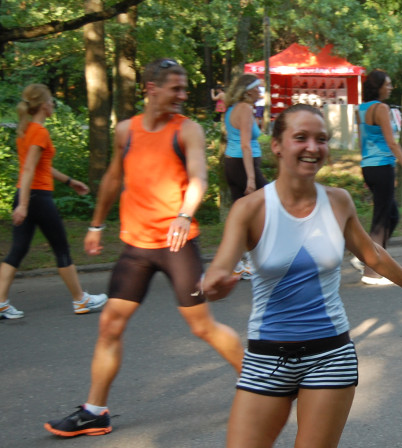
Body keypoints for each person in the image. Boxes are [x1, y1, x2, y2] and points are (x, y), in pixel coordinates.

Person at [200, 103, 402, 447]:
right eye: (301, 138)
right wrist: (215, 285)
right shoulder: (250, 209)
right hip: (267, 356)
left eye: (321, 139)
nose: (313, 147)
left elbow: (370, 252)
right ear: (278, 145)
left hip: (330, 355)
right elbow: (220, 270)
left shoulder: (338, 201)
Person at [44, 58, 244, 438]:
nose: (183, 96)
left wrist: (185, 214)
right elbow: (113, 178)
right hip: (135, 246)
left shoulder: (187, 130)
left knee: (201, 326)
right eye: (176, 88)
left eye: (185, 89)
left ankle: (258, 383)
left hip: (176, 243)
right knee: (109, 324)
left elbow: (199, 176)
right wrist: (96, 224)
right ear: (152, 89)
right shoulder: (127, 131)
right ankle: (95, 411)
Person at [0, 84, 108, 320]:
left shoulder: (26, 130)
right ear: (43, 105)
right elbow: (29, 169)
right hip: (37, 198)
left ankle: (0, 302)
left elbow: (41, 167)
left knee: (17, 250)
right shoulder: (39, 132)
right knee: (61, 248)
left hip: (27, 194)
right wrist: (25, 206)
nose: (53, 105)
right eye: (52, 101)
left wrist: (70, 181)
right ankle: (81, 300)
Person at [353, 69, 402, 285]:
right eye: (388, 84)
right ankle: (372, 272)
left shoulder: (360, 109)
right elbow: (392, 143)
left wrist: (364, 168)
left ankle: (369, 256)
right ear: (378, 87)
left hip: (370, 166)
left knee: (392, 216)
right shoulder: (381, 108)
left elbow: (361, 140)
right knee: (381, 219)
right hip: (381, 166)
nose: (391, 87)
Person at [223, 75, 268, 279]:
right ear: (248, 91)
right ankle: (252, 262)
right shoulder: (244, 108)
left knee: (240, 216)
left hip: (233, 163)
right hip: (243, 165)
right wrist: (251, 179)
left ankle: (236, 263)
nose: (260, 92)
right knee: (269, 205)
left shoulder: (232, 109)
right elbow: (245, 145)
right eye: (257, 89)